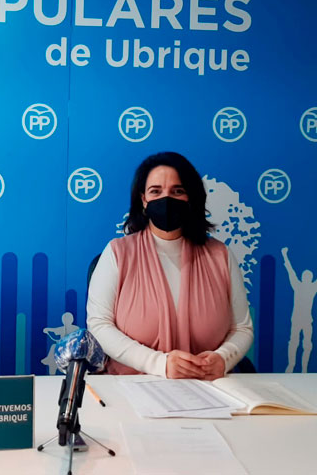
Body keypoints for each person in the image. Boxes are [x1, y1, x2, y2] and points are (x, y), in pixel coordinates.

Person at [87, 152, 253, 380]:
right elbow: (99, 325)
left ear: (191, 198)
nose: (166, 199)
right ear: (143, 200)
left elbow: (242, 328)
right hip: (131, 385)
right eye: (156, 191)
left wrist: (223, 359)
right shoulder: (118, 253)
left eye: (177, 191)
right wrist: (160, 364)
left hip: (208, 386)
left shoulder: (220, 255)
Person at [282, 247, 317, 373]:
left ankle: (304, 368)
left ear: (310, 278)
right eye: (305, 276)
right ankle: (291, 365)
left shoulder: (312, 287)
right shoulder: (298, 285)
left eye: (308, 276)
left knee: (306, 344)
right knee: (294, 342)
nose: (306, 277)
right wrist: (285, 255)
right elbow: (290, 271)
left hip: (307, 320)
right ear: (302, 277)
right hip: (297, 319)